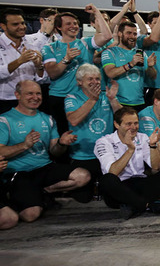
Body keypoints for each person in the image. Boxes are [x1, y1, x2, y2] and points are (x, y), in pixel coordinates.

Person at [0, 80, 91, 226]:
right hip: (19, 173)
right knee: (30, 215)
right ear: (17, 95)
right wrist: (24, 145)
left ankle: (42, 192)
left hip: (44, 167)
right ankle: (22, 198)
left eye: (38, 93)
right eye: (30, 93)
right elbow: (0, 151)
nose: (35, 97)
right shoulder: (4, 120)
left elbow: (54, 151)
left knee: (82, 176)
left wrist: (62, 143)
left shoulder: (47, 118)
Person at [94, 107, 160, 217]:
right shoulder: (103, 142)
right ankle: (150, 206)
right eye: (128, 124)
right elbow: (113, 171)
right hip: (119, 188)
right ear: (116, 124)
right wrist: (130, 150)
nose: (133, 127)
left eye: (136, 123)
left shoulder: (142, 137)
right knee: (107, 179)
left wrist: (153, 146)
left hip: (141, 183)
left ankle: (135, 206)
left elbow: (155, 166)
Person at [43, 6, 114, 133]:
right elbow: (53, 74)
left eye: (75, 23)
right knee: (63, 134)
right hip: (60, 97)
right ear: (59, 27)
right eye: (68, 24)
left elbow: (107, 35)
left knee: (84, 131)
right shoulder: (50, 48)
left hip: (83, 96)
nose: (73, 26)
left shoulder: (86, 43)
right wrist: (66, 59)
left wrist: (97, 12)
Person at [65, 64, 122, 196]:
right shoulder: (72, 98)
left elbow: (123, 119)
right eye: (90, 79)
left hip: (106, 154)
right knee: (83, 197)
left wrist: (113, 100)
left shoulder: (106, 95)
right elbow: (73, 119)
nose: (95, 82)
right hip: (83, 156)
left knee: (111, 191)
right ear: (79, 82)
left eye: (97, 79)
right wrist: (92, 100)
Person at [102, 0, 160, 111]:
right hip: (118, 102)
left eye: (134, 34)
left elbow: (152, 76)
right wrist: (131, 64)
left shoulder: (140, 53)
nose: (132, 36)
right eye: (128, 33)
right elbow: (110, 73)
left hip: (139, 102)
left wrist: (151, 67)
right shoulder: (110, 52)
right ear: (120, 34)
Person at [0, 8, 46, 114]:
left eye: (22, 23)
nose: (21, 27)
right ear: (3, 26)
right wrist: (20, 61)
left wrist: (39, 66)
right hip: (5, 102)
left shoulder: (31, 45)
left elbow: (41, 79)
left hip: (29, 102)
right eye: (15, 24)